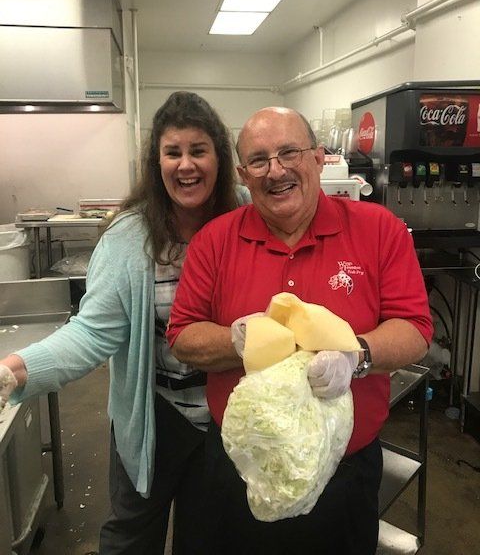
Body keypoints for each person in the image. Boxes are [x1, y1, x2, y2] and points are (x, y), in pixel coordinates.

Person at [166, 106, 433, 555]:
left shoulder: (378, 230)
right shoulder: (214, 240)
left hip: (343, 473)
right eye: (258, 160)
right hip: (240, 468)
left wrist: (357, 356)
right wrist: (235, 340)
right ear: (242, 174)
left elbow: (415, 327)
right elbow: (182, 335)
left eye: (290, 152)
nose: (276, 171)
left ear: (318, 158)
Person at [0, 91, 249, 555]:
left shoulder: (247, 218)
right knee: (133, 535)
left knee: (212, 535)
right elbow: (91, 333)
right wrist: (14, 369)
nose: (186, 165)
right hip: (156, 415)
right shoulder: (130, 236)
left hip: (232, 414)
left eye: (198, 150)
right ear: (156, 163)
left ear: (220, 156)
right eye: (172, 152)